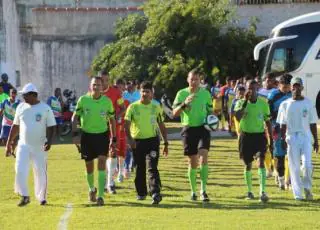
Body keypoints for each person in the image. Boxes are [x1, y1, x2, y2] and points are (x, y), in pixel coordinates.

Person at [5, 83, 56, 206]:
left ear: (34, 95)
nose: (23, 98)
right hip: (23, 145)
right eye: (23, 95)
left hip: (39, 146)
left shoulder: (45, 108)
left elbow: (51, 127)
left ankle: (41, 197)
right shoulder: (20, 107)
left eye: (25, 95)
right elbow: (15, 126)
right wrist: (9, 143)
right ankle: (25, 196)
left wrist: (49, 141)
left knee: (40, 172)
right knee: (20, 170)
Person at [72, 77, 116, 206]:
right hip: (87, 136)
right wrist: (75, 134)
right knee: (89, 166)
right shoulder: (83, 100)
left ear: (103, 87)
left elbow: (112, 120)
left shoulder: (107, 102)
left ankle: (101, 196)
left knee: (102, 163)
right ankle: (92, 189)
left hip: (102, 136)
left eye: (99, 85)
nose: (96, 87)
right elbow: (75, 117)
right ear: (90, 86)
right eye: (94, 85)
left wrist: (113, 138)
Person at [124, 81, 168, 205]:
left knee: (152, 167)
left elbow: (161, 125)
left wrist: (166, 143)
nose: (144, 94)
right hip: (137, 141)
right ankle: (141, 193)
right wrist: (130, 140)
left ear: (152, 94)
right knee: (140, 168)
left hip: (152, 141)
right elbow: (126, 126)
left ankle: (155, 192)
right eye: (143, 91)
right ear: (140, 92)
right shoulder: (133, 107)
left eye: (147, 91)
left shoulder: (156, 107)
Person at [172, 69, 213, 202]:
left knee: (204, 156)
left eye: (197, 79)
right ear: (187, 80)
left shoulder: (206, 94)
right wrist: (184, 104)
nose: (194, 82)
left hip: (203, 128)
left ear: (200, 80)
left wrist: (213, 119)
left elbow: (211, 112)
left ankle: (204, 191)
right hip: (188, 129)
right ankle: (193, 191)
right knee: (193, 161)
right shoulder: (181, 93)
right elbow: (174, 114)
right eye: (192, 79)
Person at [277, 77, 318, 200]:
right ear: (290, 88)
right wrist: (282, 139)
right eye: (294, 86)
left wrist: (316, 140)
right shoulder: (285, 104)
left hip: (305, 137)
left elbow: (312, 123)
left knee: (307, 165)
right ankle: (297, 194)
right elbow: (282, 124)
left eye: (298, 86)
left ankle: (307, 188)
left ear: (302, 88)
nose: (296, 88)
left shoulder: (308, 103)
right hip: (291, 137)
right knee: (294, 166)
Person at [234, 80, 273, 203]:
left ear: (258, 89)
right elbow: (238, 117)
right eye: (249, 89)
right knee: (248, 165)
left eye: (254, 88)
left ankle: (262, 191)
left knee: (261, 161)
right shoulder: (240, 102)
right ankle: (250, 191)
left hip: (259, 136)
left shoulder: (263, 104)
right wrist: (245, 102)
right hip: (245, 136)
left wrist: (270, 138)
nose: (251, 91)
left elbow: (267, 121)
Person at [99, 70, 125, 194]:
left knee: (113, 153)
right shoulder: (93, 92)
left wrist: (118, 116)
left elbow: (123, 107)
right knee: (102, 155)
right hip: (98, 128)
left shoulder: (115, 92)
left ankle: (110, 183)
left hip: (112, 127)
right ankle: (103, 182)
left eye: (107, 80)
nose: (104, 83)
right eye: (102, 80)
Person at [268, 74, 292, 190]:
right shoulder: (273, 95)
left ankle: (290, 180)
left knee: (292, 154)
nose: (287, 89)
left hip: (291, 128)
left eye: (288, 87)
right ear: (279, 85)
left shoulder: (293, 95)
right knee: (279, 154)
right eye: (285, 87)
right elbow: (269, 112)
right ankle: (280, 177)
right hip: (277, 127)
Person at [258, 73, 276, 178]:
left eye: (271, 80)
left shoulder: (276, 92)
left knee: (273, 146)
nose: (269, 82)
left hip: (273, 122)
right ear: (264, 80)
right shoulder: (259, 92)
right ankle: (268, 169)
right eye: (267, 80)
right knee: (264, 147)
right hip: (261, 123)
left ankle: (274, 166)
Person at [114, 78, 130, 182]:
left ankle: (120, 172)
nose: (120, 90)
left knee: (122, 152)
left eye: (121, 88)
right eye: (117, 87)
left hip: (122, 130)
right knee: (111, 152)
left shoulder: (126, 102)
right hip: (113, 130)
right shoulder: (110, 100)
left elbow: (129, 118)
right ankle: (113, 172)